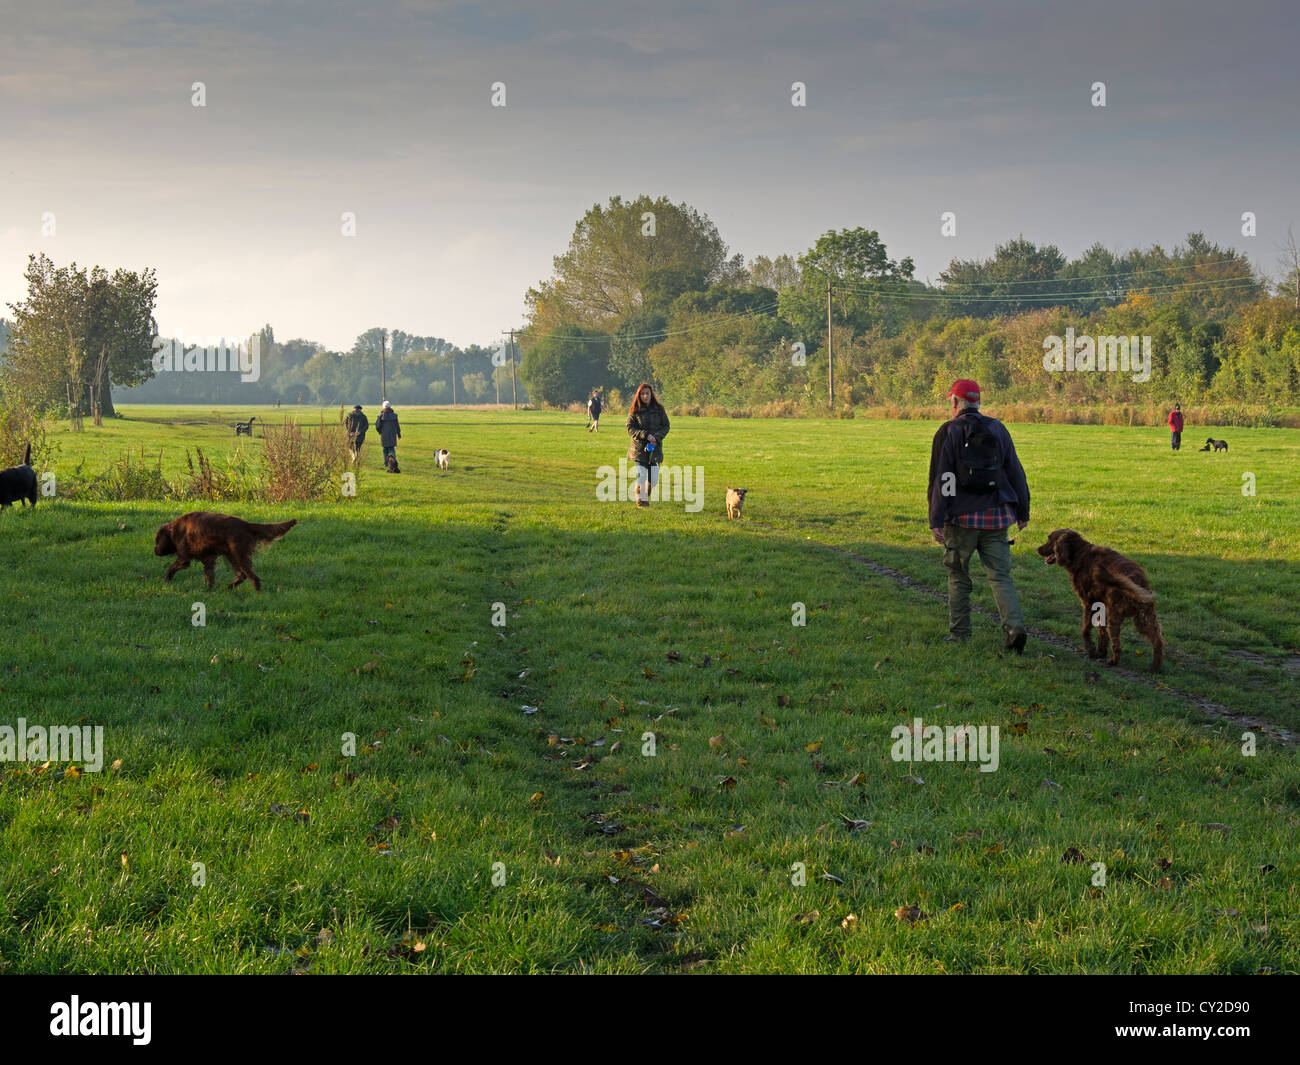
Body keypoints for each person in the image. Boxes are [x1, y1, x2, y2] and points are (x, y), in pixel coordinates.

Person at [927, 379, 1030, 651]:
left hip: (961, 520)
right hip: (997, 516)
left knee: (958, 574)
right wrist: (1022, 510)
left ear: (954, 402)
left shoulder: (948, 431)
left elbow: (942, 478)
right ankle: (1015, 628)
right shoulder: (998, 428)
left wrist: (937, 518)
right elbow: (1014, 471)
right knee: (1000, 576)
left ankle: (960, 634)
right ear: (978, 401)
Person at [626, 383, 669, 508]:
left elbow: (666, 426)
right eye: (643, 394)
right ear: (639, 396)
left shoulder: (659, 410)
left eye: (647, 393)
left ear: (651, 394)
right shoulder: (634, 410)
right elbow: (629, 428)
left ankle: (645, 495)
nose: (645, 396)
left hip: (654, 449)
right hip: (639, 450)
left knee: (653, 480)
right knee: (641, 475)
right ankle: (640, 499)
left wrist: (656, 437)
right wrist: (645, 435)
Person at [376, 400, 401, 470]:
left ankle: (386, 463)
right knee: (391, 449)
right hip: (392, 435)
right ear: (390, 407)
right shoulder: (394, 416)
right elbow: (397, 426)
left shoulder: (380, 416)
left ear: (383, 407)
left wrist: (380, 432)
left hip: (384, 436)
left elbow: (377, 426)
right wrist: (399, 434)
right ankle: (394, 463)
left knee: (385, 449)